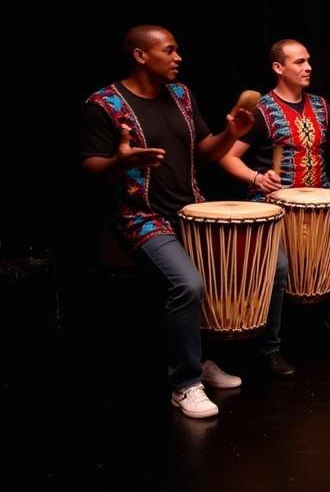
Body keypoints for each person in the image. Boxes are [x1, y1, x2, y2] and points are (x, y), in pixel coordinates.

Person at [82, 25, 255, 419]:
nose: (178, 57)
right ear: (141, 56)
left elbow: (209, 151)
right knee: (187, 283)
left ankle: (204, 361)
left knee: (227, 273)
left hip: (190, 210)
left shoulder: (181, 95)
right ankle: (184, 384)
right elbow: (89, 165)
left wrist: (231, 132)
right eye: (170, 50)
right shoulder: (105, 104)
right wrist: (119, 161)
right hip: (140, 217)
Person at [220, 39, 330, 374]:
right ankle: (270, 347)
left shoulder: (320, 105)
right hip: (273, 204)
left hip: (322, 201)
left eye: (308, 61)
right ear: (279, 68)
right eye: (299, 62)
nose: (308, 68)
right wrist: (257, 178)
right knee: (278, 268)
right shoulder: (262, 109)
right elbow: (227, 156)